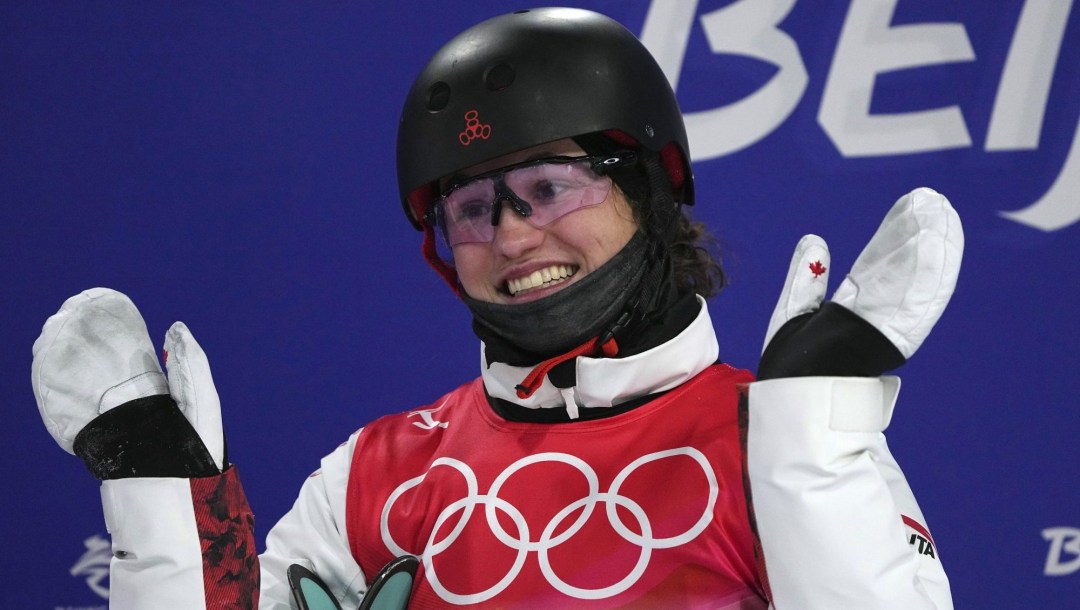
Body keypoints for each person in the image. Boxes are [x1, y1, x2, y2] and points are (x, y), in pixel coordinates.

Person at [32, 7, 961, 609]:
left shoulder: (778, 436)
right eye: (473, 208)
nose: (514, 238)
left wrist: (813, 447)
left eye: (550, 186)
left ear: (648, 184)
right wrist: (161, 502)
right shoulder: (378, 476)